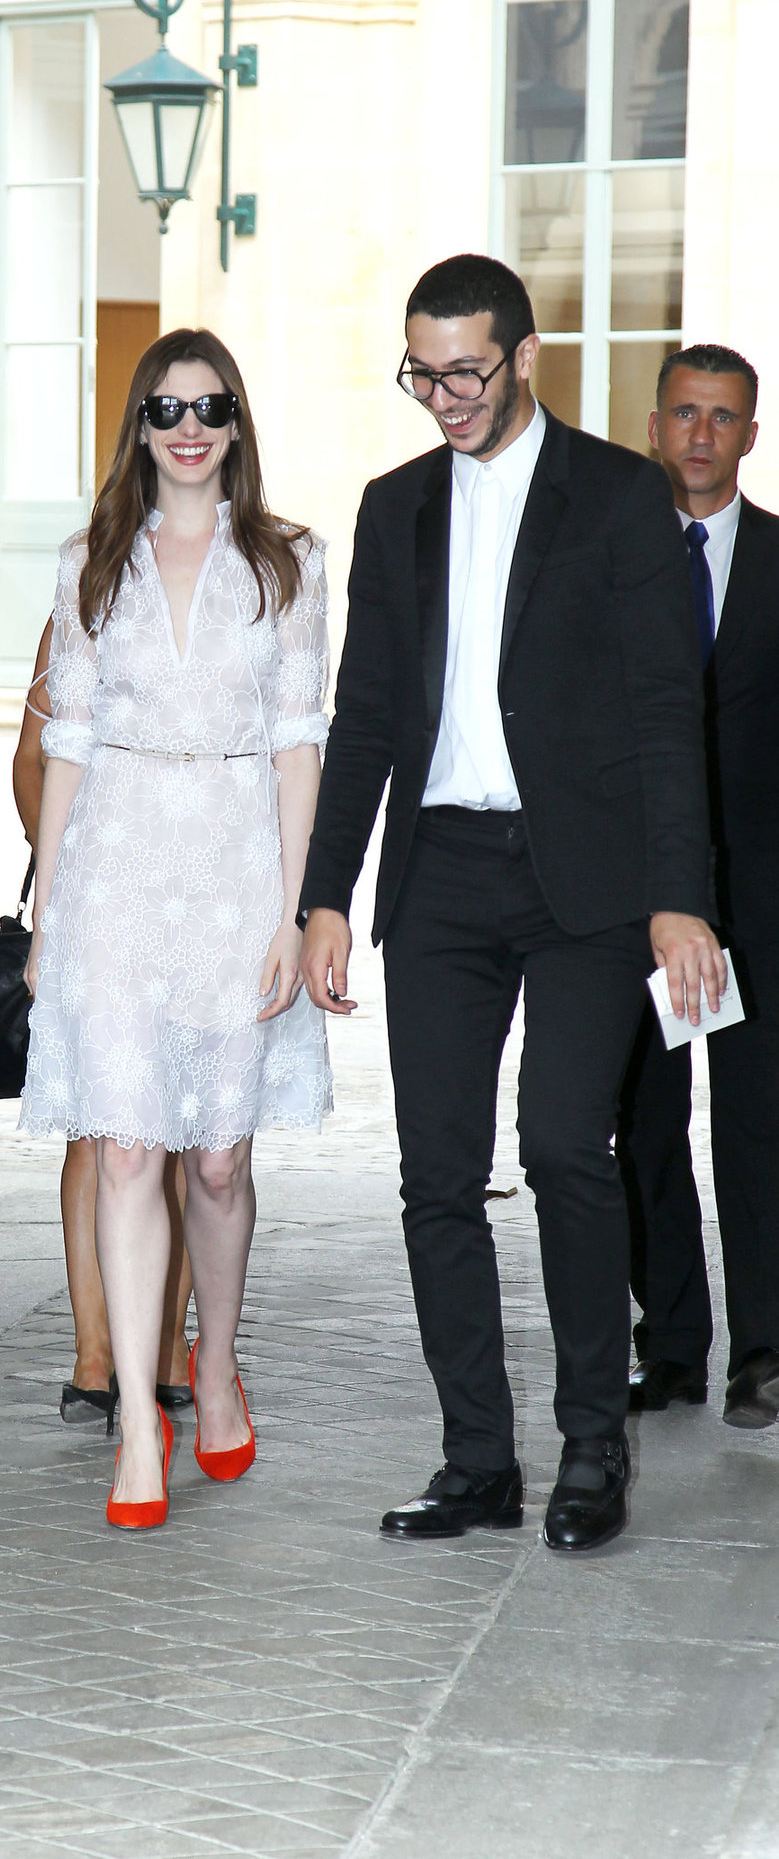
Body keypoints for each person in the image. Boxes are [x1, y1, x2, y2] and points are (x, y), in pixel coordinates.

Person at [299, 254, 721, 1552]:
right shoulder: (394, 507)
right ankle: (474, 1458)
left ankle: (589, 1447)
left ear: (522, 357)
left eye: (464, 370)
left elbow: (666, 712)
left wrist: (676, 901)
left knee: (557, 1149)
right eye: (421, 372)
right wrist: (322, 896)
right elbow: (363, 711)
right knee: (433, 1173)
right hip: (439, 876)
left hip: (585, 883)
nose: (442, 396)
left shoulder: (612, 495)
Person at [20, 327, 332, 1529]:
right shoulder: (91, 562)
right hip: (116, 877)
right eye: (164, 407)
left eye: (208, 406)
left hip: (239, 872)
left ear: (236, 421)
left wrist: (298, 908)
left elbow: (302, 737)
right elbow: (68, 742)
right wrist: (48, 910)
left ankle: (213, 1363)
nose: (187, 426)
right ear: (138, 426)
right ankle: (140, 1426)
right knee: (131, 1147)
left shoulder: (293, 561)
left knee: (217, 1155)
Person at [617, 345, 779, 1429]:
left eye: (722, 418)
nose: (699, 435)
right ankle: (670, 1344)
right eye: (683, 412)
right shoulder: (608, 558)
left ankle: (761, 1354)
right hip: (636, 889)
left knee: (760, 1122)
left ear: (748, 436)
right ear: (655, 423)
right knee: (640, 1118)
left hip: (762, 894)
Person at [12, 623, 194, 1423]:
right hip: (103, 902)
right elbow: (30, 757)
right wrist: (66, 855)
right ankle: (94, 1352)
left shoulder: (228, 589)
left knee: (184, 1127)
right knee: (98, 1130)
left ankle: (158, 1349)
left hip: (198, 898)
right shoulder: (78, 604)